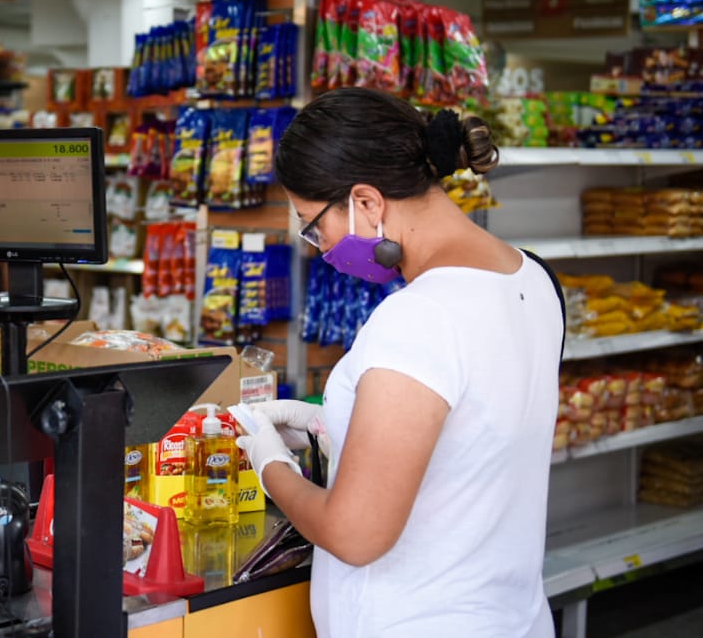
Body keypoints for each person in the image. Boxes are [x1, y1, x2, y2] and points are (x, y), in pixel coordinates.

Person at [236, 88, 562, 638]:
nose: (318, 245)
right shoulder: (533, 278)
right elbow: (472, 433)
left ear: (366, 202)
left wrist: (271, 467)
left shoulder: (419, 317)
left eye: (313, 224)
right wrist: (329, 423)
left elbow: (356, 535)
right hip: (513, 618)